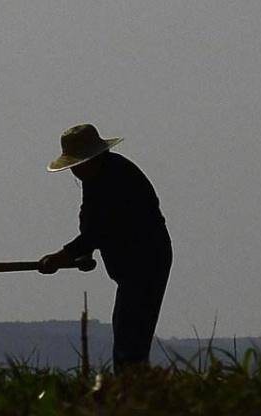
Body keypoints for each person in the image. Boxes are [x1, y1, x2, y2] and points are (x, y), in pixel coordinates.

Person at [39, 124, 173, 374]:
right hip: (132, 266)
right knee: (127, 330)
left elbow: (99, 230)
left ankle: (134, 388)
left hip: (145, 261)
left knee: (130, 336)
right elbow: (90, 222)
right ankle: (133, 384)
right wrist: (83, 253)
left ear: (93, 158)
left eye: (78, 164)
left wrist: (62, 256)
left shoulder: (116, 179)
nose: (76, 172)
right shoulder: (96, 178)